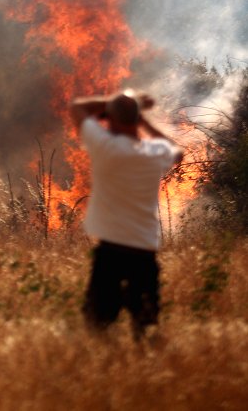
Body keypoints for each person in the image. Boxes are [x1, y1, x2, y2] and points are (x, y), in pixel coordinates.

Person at [70, 90, 183, 339]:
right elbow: (178, 152)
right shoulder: (155, 153)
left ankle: (108, 370)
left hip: (111, 252)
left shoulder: (105, 147)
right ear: (135, 121)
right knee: (146, 326)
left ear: (110, 120)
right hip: (144, 252)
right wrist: (142, 119)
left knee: (97, 325)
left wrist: (113, 104)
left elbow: (77, 106)